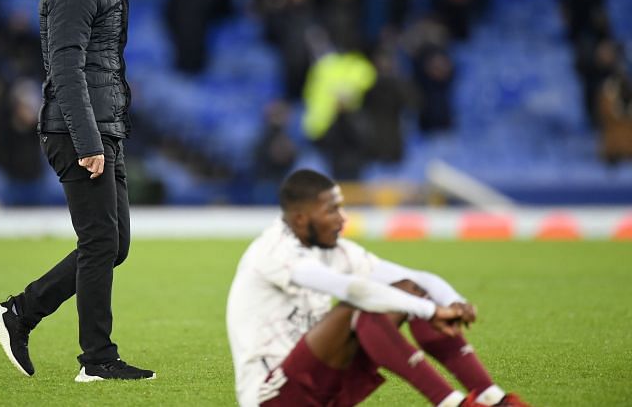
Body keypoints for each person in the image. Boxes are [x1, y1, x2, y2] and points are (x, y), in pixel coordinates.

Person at [0, 0, 155, 382]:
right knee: (101, 239)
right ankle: (97, 360)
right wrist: (88, 142)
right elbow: (65, 67)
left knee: (113, 244)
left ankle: (19, 313)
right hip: (79, 131)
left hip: (102, 127)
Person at [227, 169, 530, 407]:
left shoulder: (334, 250)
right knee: (366, 306)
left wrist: (453, 301)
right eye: (332, 210)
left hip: (321, 382)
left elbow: (417, 278)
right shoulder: (274, 252)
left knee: (407, 290)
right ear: (301, 217)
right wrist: (432, 310)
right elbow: (356, 291)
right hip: (272, 396)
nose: (342, 218)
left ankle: (494, 399)